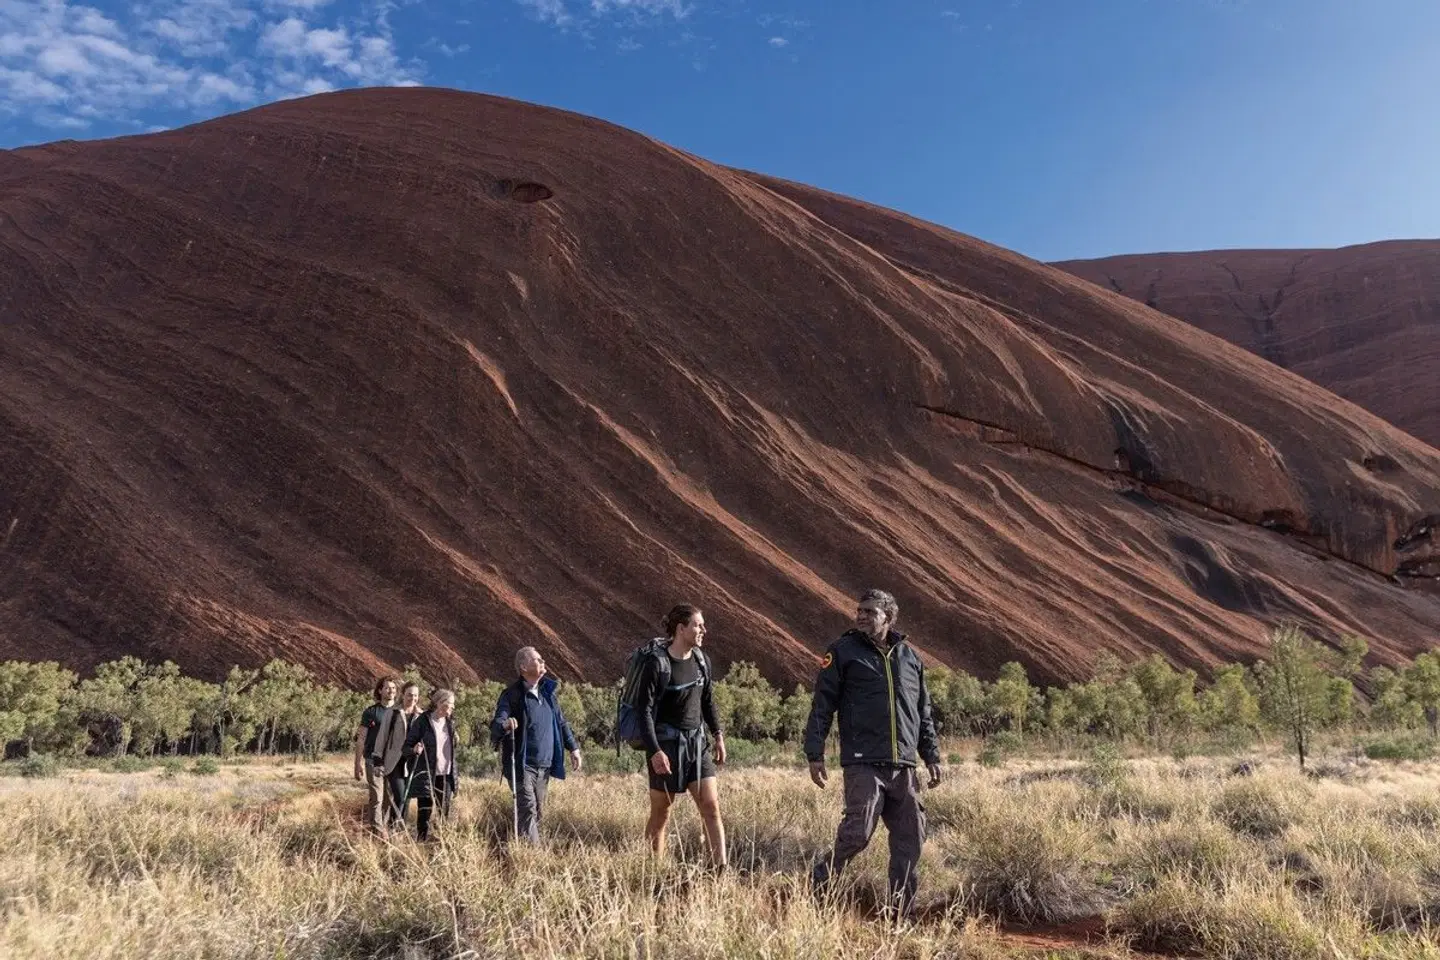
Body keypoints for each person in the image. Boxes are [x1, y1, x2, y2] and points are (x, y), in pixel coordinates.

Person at [803, 589, 942, 917]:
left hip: (904, 765)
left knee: (912, 837)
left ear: (888, 618)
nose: (861, 616)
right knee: (858, 833)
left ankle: (900, 913)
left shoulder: (910, 658)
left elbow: (923, 713)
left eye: (870, 611)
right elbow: (823, 705)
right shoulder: (842, 652)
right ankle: (822, 881)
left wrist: (931, 756)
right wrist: (815, 752)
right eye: (859, 610)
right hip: (864, 762)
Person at [635, 604, 727, 868]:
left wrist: (718, 735)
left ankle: (719, 869)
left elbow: (708, 701)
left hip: (697, 744)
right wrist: (655, 751)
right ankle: (654, 869)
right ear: (681, 629)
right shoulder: (657, 663)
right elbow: (644, 712)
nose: (703, 630)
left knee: (710, 807)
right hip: (666, 746)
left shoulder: (701, 660)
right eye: (698, 625)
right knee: (662, 813)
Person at [490, 647, 583, 843]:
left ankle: (524, 846)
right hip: (522, 765)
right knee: (528, 808)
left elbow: (561, 722)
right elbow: (498, 721)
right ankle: (533, 857)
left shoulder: (548, 694)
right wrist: (505, 724)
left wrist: (573, 748)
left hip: (545, 765)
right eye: (538, 659)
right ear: (523, 667)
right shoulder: (511, 695)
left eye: (542, 659)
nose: (543, 662)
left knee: (538, 810)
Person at [404, 689, 459, 841]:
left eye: (452, 705)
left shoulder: (451, 722)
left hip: (447, 773)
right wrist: (415, 749)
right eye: (448, 704)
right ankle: (421, 842)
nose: (451, 708)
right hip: (427, 772)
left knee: (445, 811)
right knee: (425, 811)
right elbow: (407, 746)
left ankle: (444, 842)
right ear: (438, 703)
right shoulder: (423, 721)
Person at [372, 681, 423, 833]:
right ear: (403, 695)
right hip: (394, 761)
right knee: (400, 796)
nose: (412, 698)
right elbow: (382, 737)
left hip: (412, 762)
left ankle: (398, 831)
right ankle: (393, 828)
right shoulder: (393, 713)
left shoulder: (421, 715)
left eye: (415, 695)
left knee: (406, 798)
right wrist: (378, 760)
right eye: (409, 695)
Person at [355, 676, 398, 833]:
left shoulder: (400, 712)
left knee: (389, 798)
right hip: (373, 761)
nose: (391, 691)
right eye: (387, 688)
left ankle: (383, 828)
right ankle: (378, 832)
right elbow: (361, 738)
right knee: (377, 797)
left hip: (393, 762)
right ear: (380, 690)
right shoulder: (371, 712)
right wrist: (357, 764)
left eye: (393, 688)